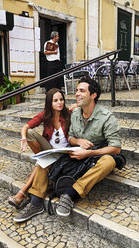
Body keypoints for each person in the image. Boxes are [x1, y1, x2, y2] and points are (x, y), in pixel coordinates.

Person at [13, 76, 122, 223]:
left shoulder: (107, 117)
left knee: (109, 161)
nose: (76, 93)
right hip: (74, 156)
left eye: (81, 91)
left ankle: (70, 194)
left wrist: (89, 152)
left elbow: (116, 148)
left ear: (93, 95)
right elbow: (70, 137)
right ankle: (36, 202)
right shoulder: (75, 114)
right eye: (76, 90)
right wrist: (77, 141)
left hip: (94, 158)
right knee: (44, 160)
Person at [8, 88, 71, 209]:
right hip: (49, 150)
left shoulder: (69, 114)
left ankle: (21, 194)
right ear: (49, 103)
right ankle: (22, 195)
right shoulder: (45, 115)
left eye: (61, 99)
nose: (60, 103)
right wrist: (23, 137)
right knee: (30, 133)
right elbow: (26, 127)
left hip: (63, 153)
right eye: (55, 100)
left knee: (40, 163)